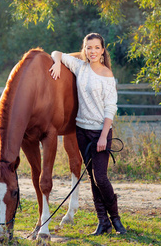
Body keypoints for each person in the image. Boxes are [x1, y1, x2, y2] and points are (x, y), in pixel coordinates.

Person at [49, 33, 127, 235]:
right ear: (84, 49)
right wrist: (57, 62)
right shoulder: (79, 67)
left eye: (96, 48)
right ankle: (103, 223)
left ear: (102, 50)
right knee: (92, 178)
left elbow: (111, 107)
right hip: (81, 132)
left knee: (101, 177)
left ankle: (116, 219)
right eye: (88, 48)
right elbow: (56, 52)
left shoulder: (107, 75)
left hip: (101, 132)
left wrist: (103, 136)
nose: (92, 51)